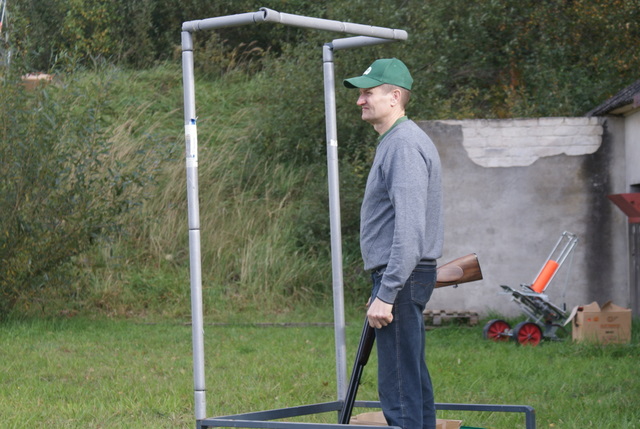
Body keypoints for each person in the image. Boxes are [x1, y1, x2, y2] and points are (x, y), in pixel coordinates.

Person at [343, 58, 443, 429]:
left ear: (395, 97)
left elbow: (410, 228)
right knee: (409, 376)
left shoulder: (402, 145)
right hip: (401, 275)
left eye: (368, 93)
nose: (360, 101)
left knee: (399, 384)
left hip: (400, 275)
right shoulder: (398, 141)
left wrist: (387, 293)